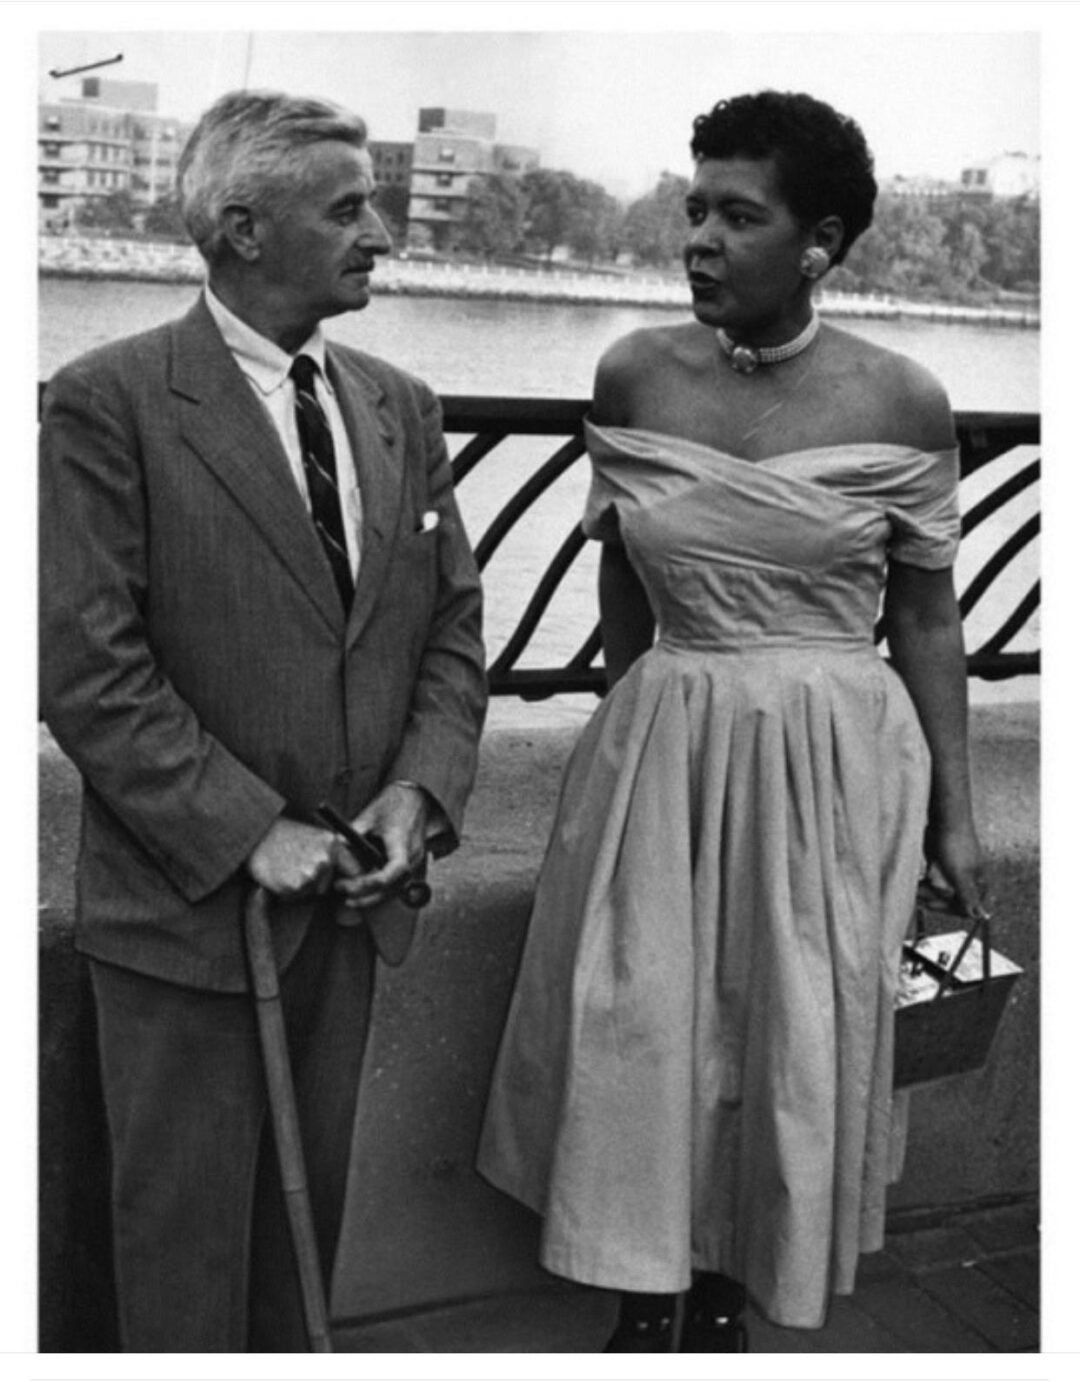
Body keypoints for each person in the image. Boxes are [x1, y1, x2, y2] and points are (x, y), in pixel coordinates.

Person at [477, 90, 986, 1351]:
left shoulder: (905, 400)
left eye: (736, 215)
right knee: (642, 1021)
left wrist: (954, 818)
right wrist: (629, 722)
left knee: (789, 1029)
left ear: (818, 242)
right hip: (666, 745)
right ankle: (644, 1291)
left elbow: (925, 622)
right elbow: (616, 565)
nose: (697, 236)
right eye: (693, 205)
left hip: (832, 764)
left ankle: (725, 1297)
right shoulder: (636, 375)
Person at [39, 89, 487, 1351]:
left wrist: (420, 792)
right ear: (242, 228)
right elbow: (86, 667)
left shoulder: (401, 403)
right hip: (190, 915)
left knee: (299, 1245)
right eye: (347, 207)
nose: (382, 233)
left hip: (346, 911)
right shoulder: (108, 401)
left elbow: (450, 626)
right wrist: (249, 830)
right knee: (177, 1256)